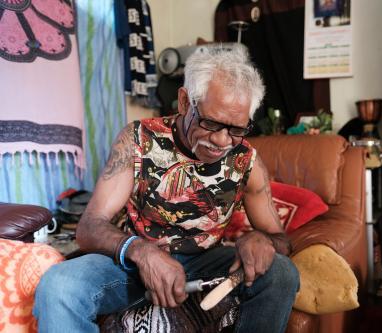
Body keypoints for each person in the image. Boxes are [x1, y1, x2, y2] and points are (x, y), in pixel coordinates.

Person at [33, 46, 300, 333]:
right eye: (211, 123)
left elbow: (281, 240)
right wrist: (141, 252)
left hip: (205, 263)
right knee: (59, 287)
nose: (223, 140)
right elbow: (88, 228)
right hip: (131, 267)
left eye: (236, 129)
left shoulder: (247, 162)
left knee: (282, 273)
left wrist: (263, 241)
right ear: (185, 102)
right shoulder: (137, 140)